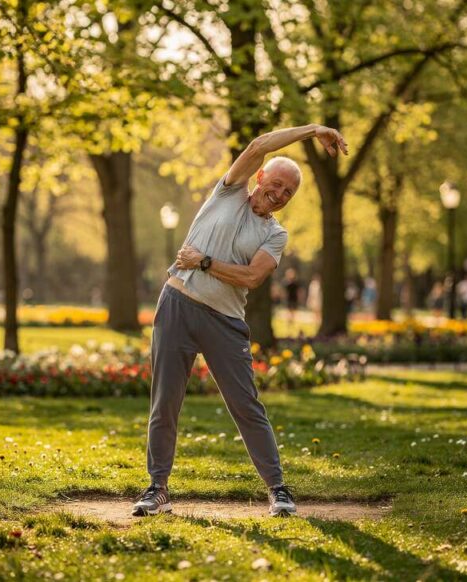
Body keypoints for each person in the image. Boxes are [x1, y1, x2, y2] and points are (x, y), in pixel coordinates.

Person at [132, 124, 348, 519]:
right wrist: (313, 130)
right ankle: (157, 488)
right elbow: (259, 144)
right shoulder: (228, 192)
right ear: (260, 176)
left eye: (288, 193)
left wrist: (204, 262)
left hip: (225, 321)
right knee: (164, 402)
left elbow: (251, 277)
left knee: (246, 405)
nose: (279, 194)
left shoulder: (275, 235)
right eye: (277, 184)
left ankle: (278, 489)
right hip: (177, 305)